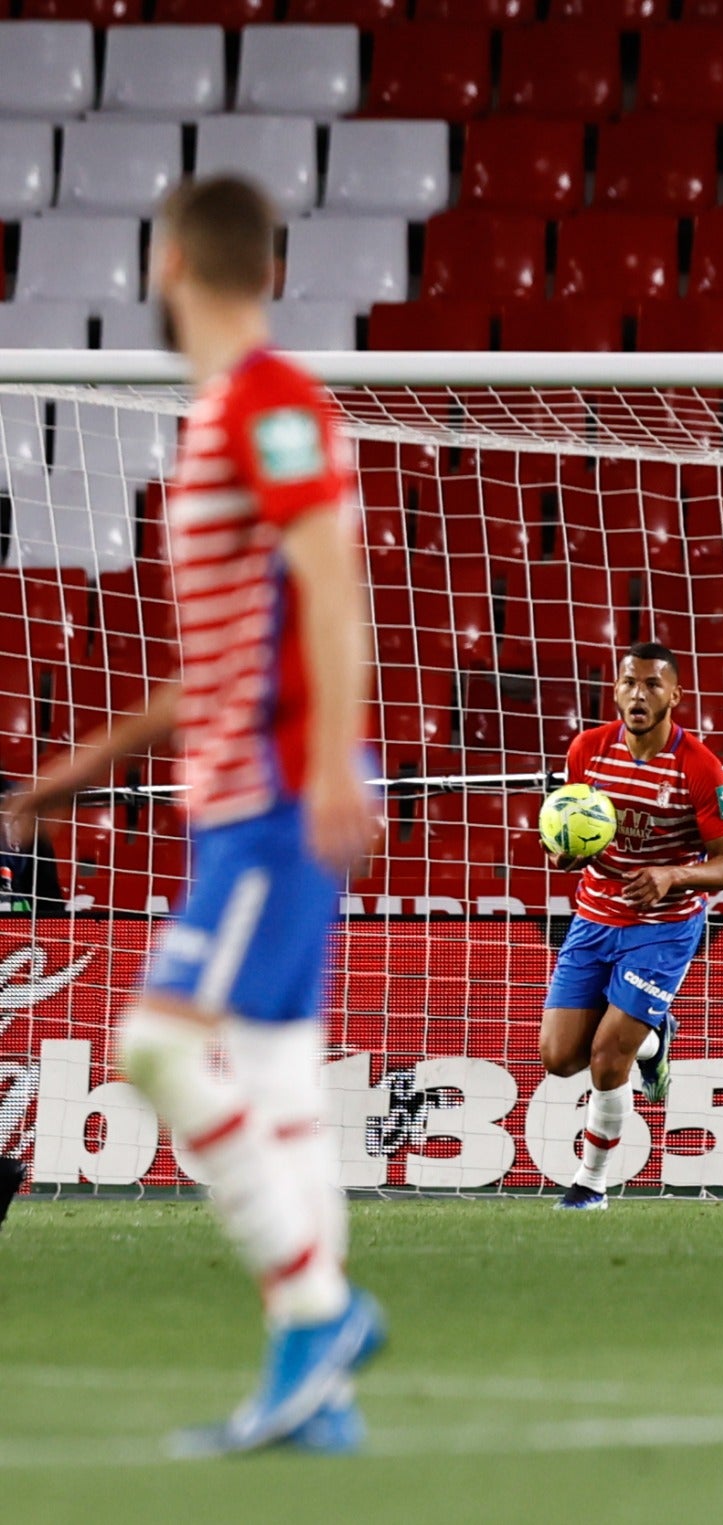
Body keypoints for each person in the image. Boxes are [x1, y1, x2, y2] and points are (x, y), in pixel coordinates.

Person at [2, 176, 384, 1452]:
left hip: (277, 797)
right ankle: (311, 1387)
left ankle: (314, 1309)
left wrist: (332, 760)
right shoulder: (232, 413)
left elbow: (333, 579)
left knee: (157, 1046)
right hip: (244, 791)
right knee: (274, 1077)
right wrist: (71, 772)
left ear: (172, 265)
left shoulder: (267, 408)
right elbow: (220, 668)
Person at [539, 642, 723, 1211]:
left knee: (608, 1059)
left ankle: (591, 1184)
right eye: (630, 682)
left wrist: (673, 876)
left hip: (662, 928)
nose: (639, 693)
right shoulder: (587, 751)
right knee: (558, 1058)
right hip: (594, 916)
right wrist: (569, 852)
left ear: (675, 696)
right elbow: (580, 827)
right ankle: (655, 1041)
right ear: (616, 691)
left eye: (653, 684)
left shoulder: (699, 767)